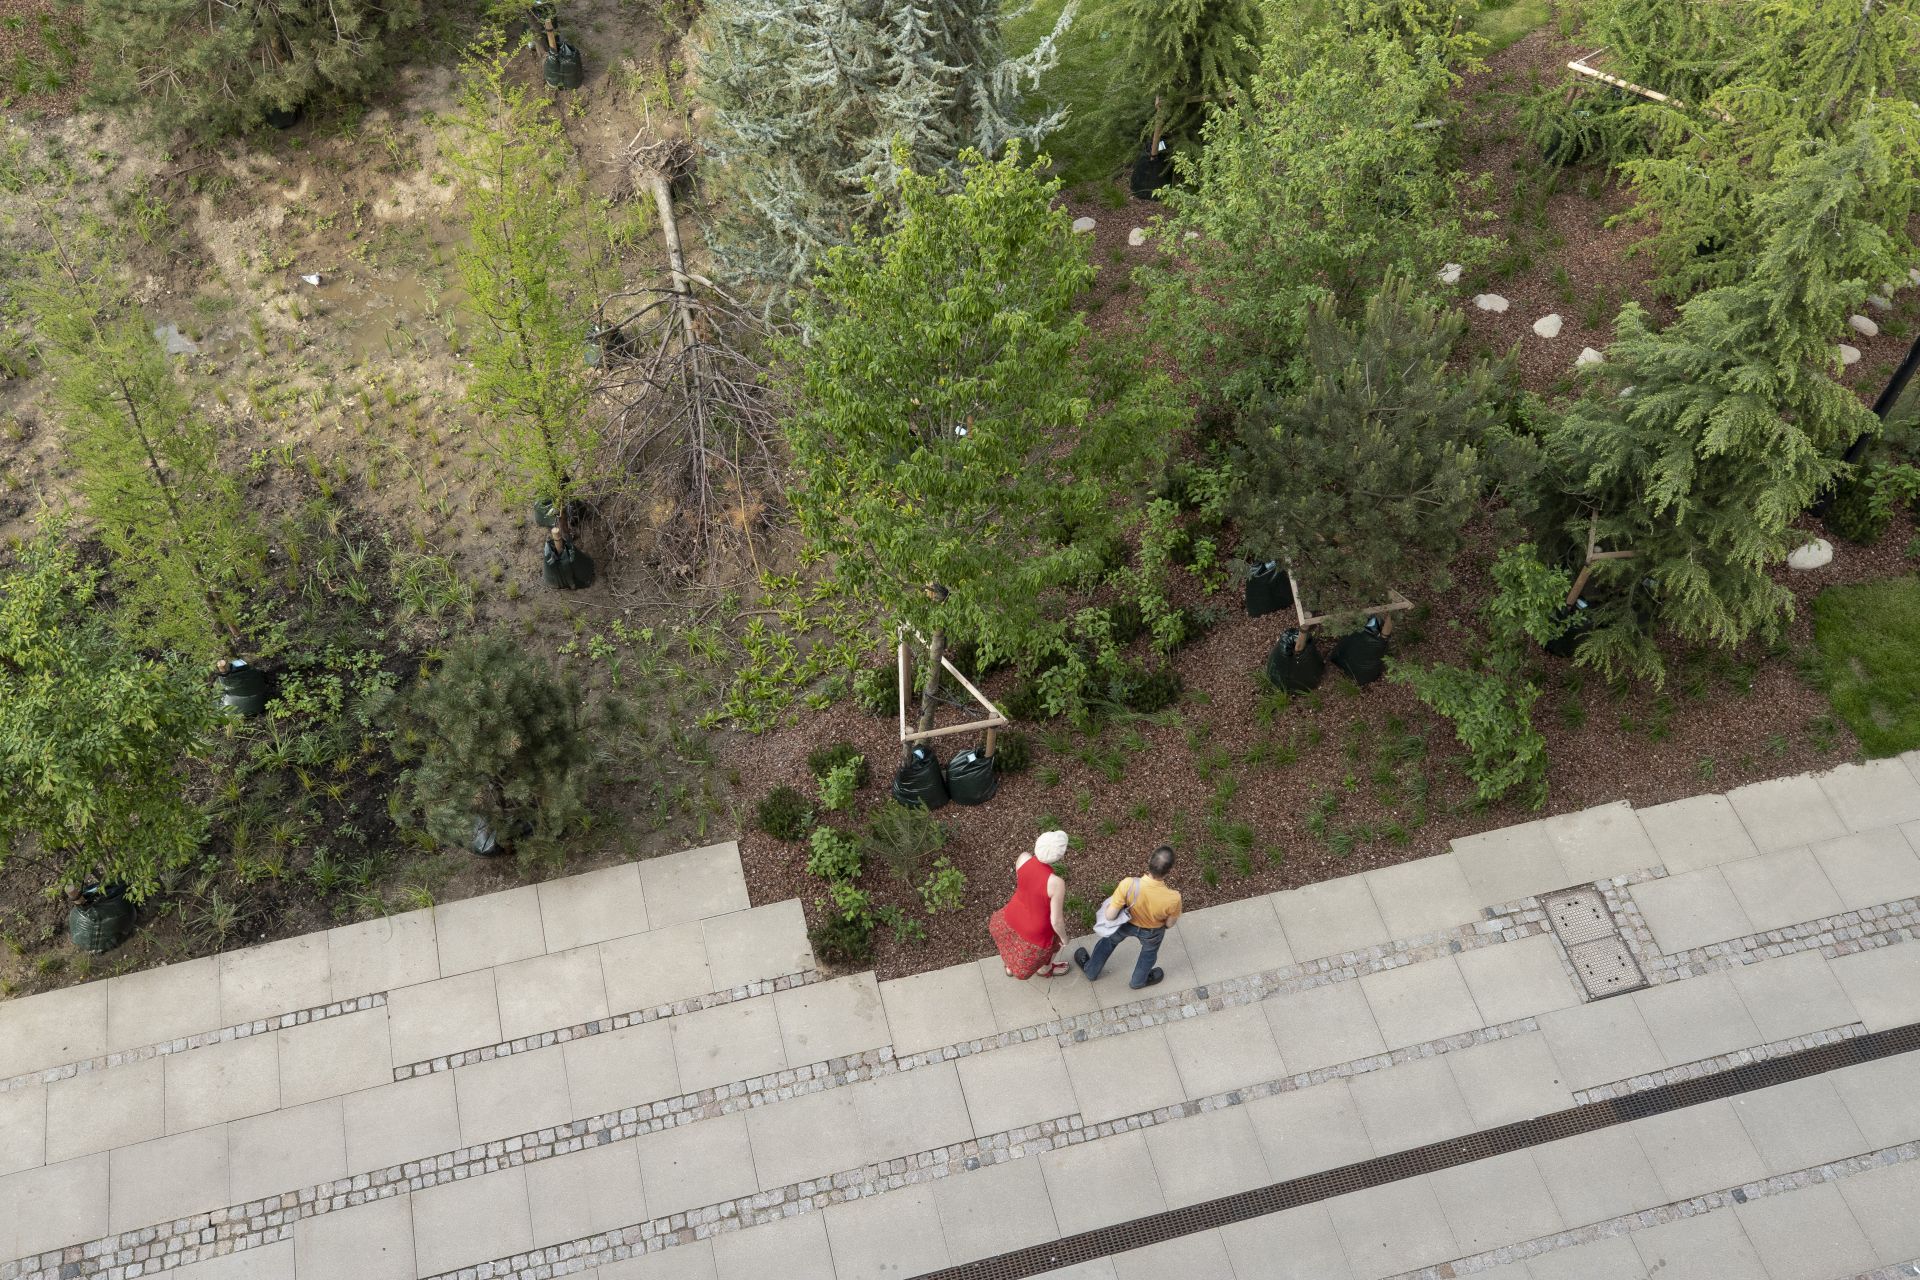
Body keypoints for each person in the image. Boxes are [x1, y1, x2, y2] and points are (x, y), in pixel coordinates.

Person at [1076, 845, 1182, 989]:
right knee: (1148, 954)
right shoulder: (1174, 898)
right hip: (1152, 932)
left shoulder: (1128, 884)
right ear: (1169, 871)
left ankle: (1091, 971)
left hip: (1125, 924)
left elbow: (1110, 915)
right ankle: (1138, 981)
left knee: (1107, 943)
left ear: (1149, 860)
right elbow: (1169, 924)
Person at [989, 830, 1072, 979]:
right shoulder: (1056, 883)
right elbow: (1056, 920)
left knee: (1012, 942)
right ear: (1059, 856)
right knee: (1052, 948)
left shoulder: (1023, 858)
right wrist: (1064, 938)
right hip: (1037, 930)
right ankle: (1044, 970)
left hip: (1012, 914)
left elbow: (1026, 883)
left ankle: (1009, 966)